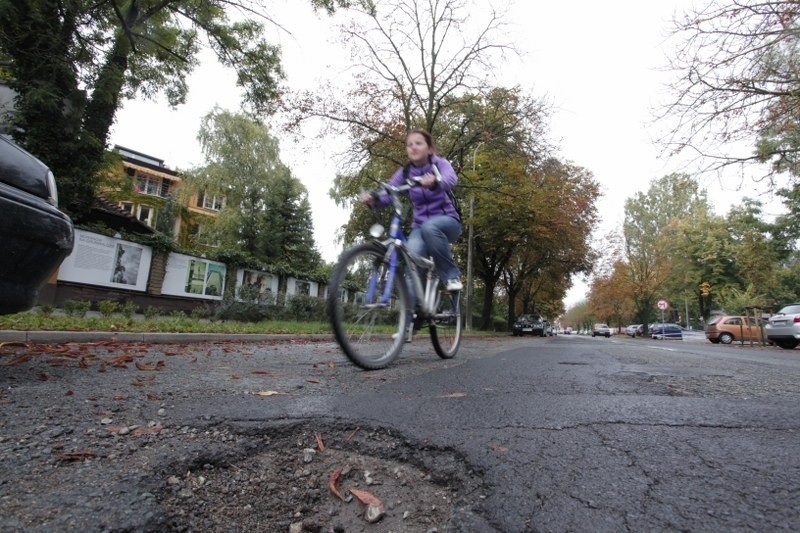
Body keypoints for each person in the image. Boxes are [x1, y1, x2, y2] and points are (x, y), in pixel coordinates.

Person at [364, 128, 463, 292]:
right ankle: (414, 313)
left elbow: (450, 179)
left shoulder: (439, 164)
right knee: (412, 264)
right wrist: (373, 200)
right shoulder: (406, 172)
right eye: (409, 145)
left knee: (430, 227)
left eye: (418, 143)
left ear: (429, 148)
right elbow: (390, 191)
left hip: (448, 221)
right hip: (419, 227)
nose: (413, 147)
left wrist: (436, 181)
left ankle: (451, 276)